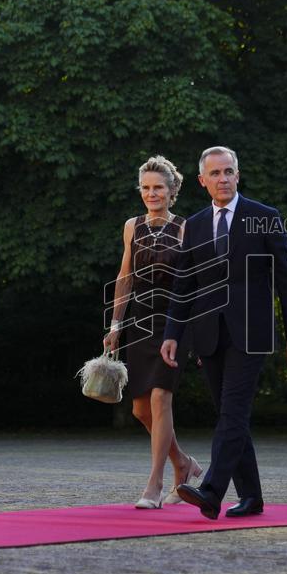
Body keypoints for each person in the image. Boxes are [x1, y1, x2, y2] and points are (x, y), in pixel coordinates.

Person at [160, 146, 287, 519]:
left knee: (233, 413)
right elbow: (184, 284)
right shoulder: (192, 225)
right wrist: (172, 332)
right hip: (208, 334)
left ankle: (211, 492)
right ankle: (252, 497)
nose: (223, 179)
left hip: (252, 334)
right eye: (215, 173)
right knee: (231, 416)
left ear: (238, 175)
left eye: (229, 172)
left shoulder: (264, 217)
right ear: (202, 181)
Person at [103, 156, 202, 509]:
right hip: (140, 323)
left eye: (158, 187)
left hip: (176, 323)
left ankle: (155, 485)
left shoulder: (186, 228)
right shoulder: (132, 226)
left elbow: (197, 284)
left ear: (172, 190)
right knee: (141, 411)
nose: (151, 193)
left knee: (161, 399)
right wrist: (115, 324)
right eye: (145, 187)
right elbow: (124, 277)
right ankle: (183, 463)